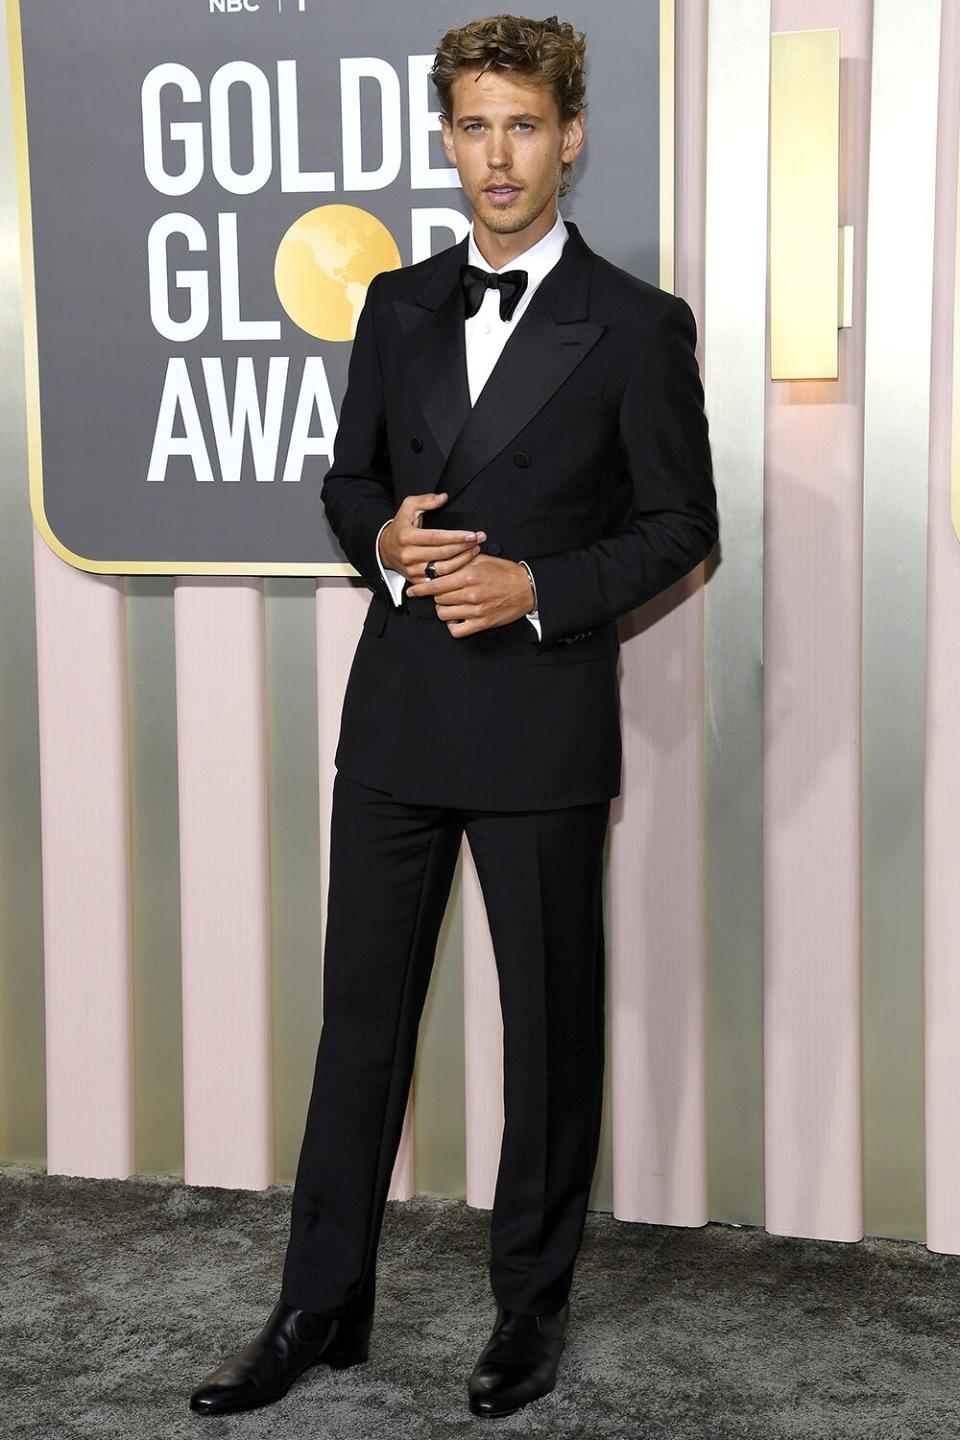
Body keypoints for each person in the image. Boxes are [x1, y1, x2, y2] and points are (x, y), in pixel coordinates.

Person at [189, 11, 718, 1422]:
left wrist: (538, 581)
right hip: (400, 715)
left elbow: (684, 526)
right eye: (475, 126)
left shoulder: (637, 326)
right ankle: (319, 1304)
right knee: (358, 1022)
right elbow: (347, 483)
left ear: (572, 137)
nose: (499, 155)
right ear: (447, 137)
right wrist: (385, 539)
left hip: (539, 718)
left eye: (524, 127)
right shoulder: (397, 303)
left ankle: (527, 1314)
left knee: (547, 1033)